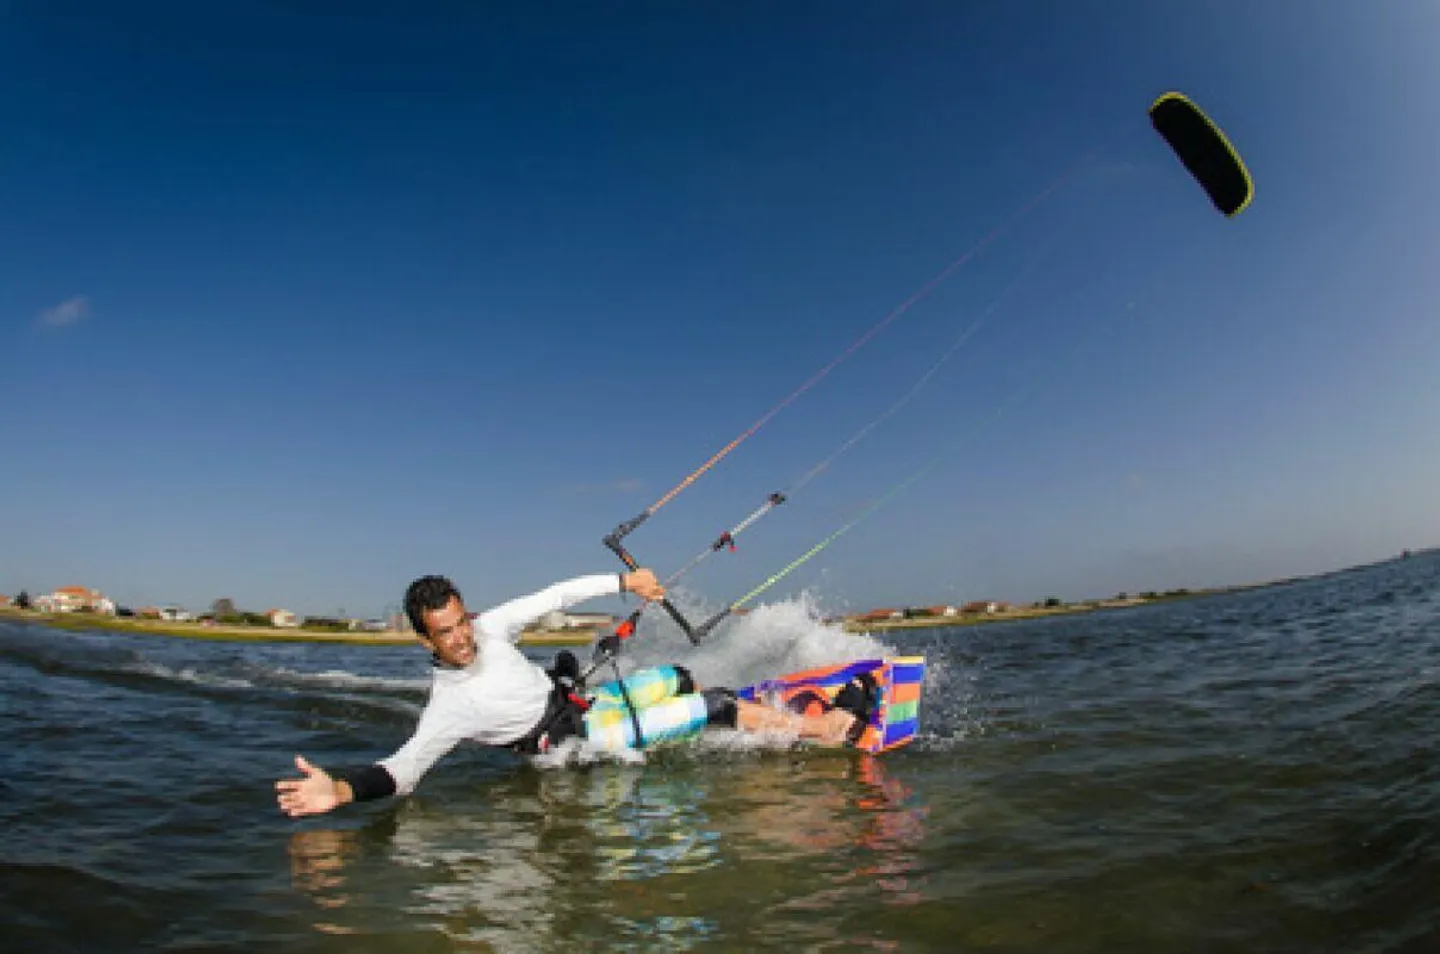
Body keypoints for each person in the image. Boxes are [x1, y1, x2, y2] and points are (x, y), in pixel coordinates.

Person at [275, 569, 876, 818]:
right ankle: (829, 730)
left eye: (462, 622)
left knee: (681, 679)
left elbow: (556, 595)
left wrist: (623, 581)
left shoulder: (489, 628)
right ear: (424, 636)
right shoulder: (449, 706)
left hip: (579, 703)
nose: (462, 639)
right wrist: (345, 788)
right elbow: (403, 771)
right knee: (713, 706)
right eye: (446, 633)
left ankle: (758, 718)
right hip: (572, 742)